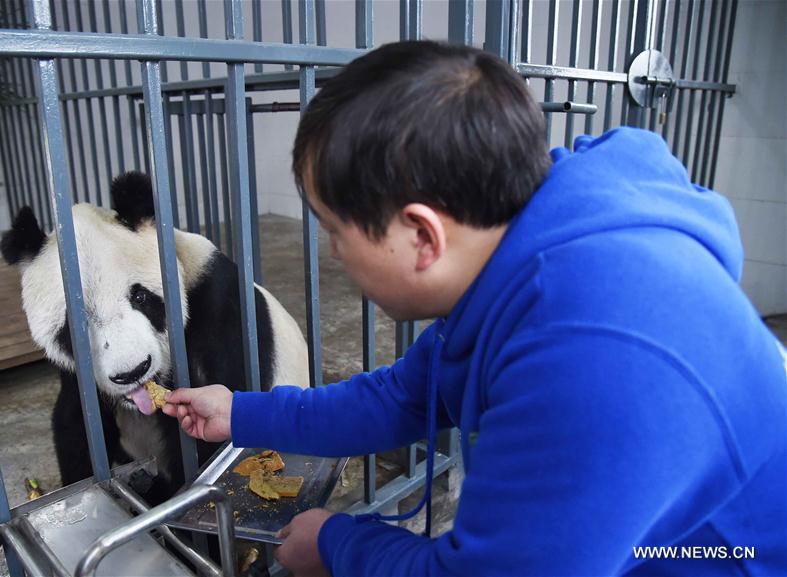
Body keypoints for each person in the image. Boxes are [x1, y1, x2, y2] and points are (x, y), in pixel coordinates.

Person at [163, 41, 787, 576]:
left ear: (422, 236)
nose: (331, 252)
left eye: (333, 230)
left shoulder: (592, 355)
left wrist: (336, 543)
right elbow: (404, 397)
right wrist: (241, 412)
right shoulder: (529, 243)